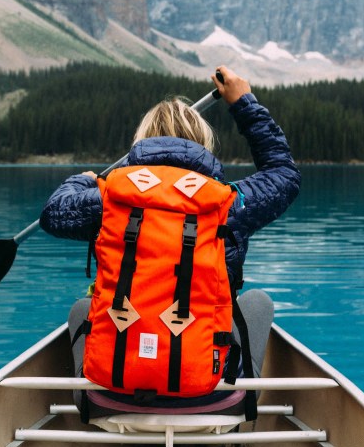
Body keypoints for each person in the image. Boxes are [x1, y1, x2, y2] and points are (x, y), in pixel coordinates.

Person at [39, 66, 300, 416]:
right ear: (201, 142)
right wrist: (244, 103)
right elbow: (283, 174)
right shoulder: (227, 203)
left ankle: (105, 396)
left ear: (142, 141)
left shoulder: (110, 200)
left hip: (108, 401)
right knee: (256, 301)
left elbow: (54, 213)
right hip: (212, 401)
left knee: (83, 308)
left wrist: (81, 181)